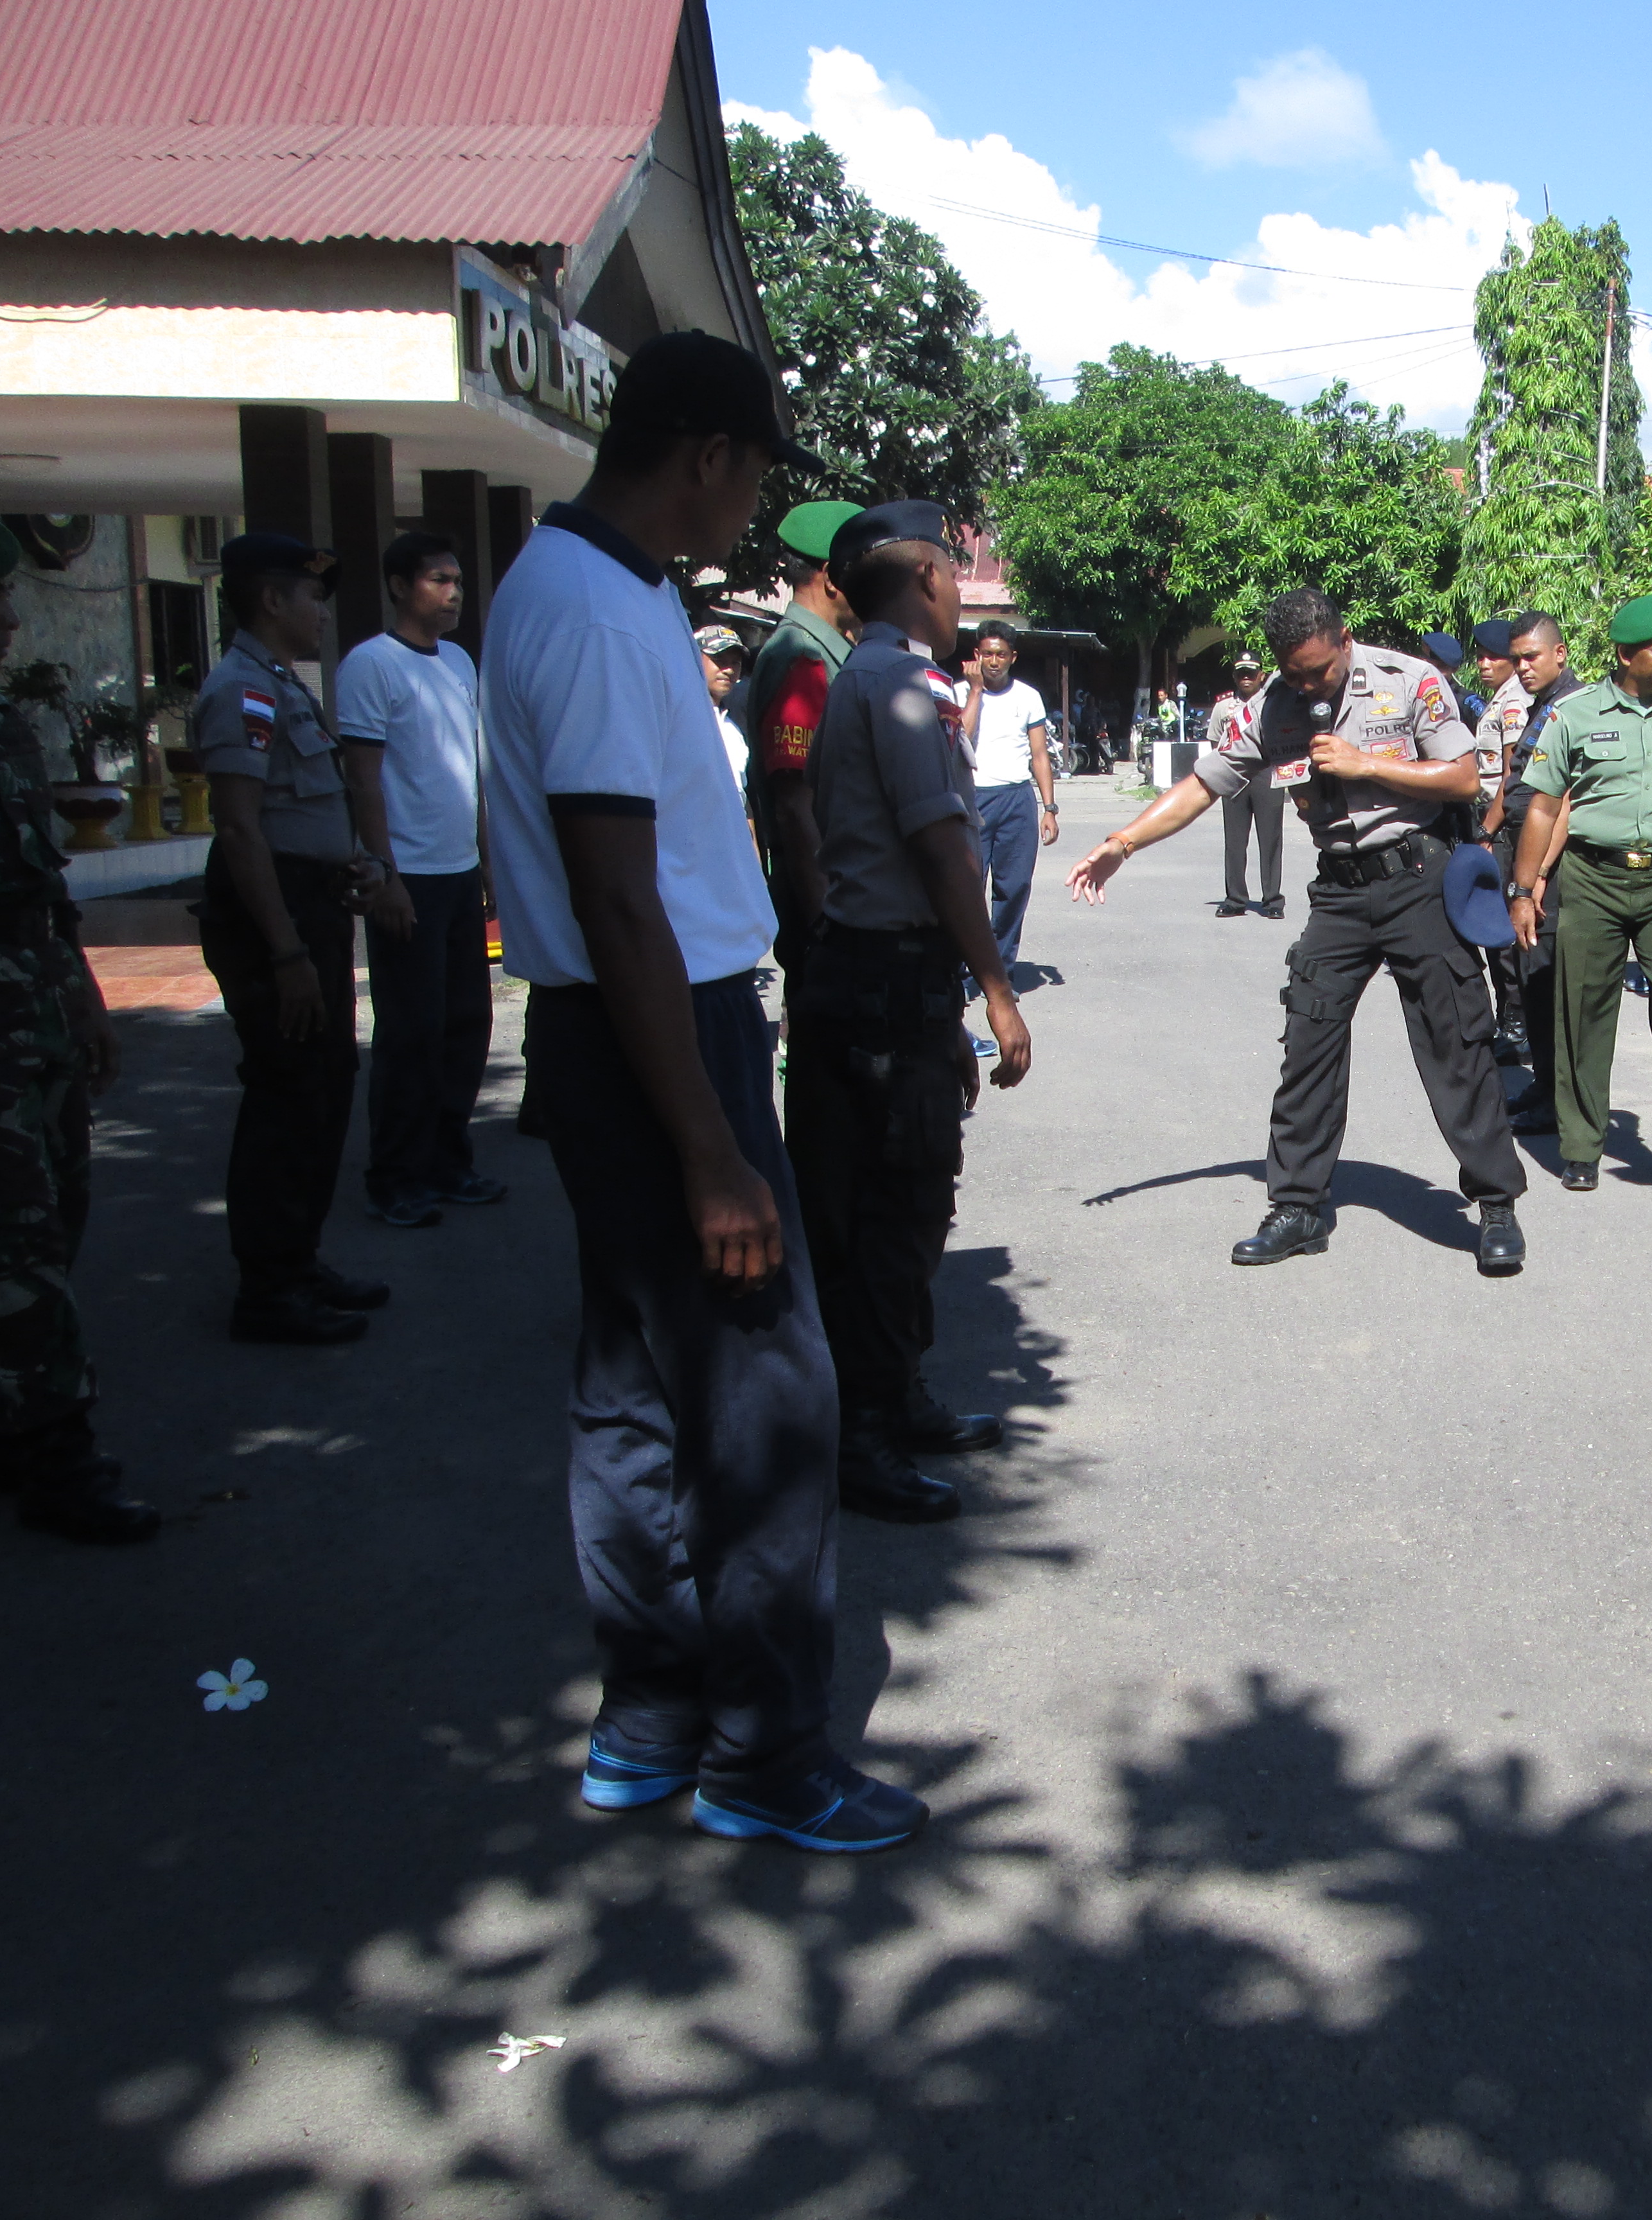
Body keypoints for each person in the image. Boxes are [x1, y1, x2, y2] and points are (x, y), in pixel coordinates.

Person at [484, 328, 922, 1854]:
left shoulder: (570, 584)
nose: (750, 515)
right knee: (766, 1398)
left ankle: (653, 1716)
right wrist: (713, 1147)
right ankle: (763, 1754)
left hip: (617, 1032)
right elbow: (618, 898)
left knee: (632, 1382)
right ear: (710, 458)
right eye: (751, 480)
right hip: (662, 1034)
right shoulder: (602, 608)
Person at [1066, 586, 1526, 1275]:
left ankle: (1495, 1205)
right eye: (1295, 673)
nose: (1308, 685)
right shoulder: (1269, 706)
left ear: (1345, 640)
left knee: (1453, 1038)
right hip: (1341, 892)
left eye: (1319, 669)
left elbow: (1466, 778)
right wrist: (1123, 842)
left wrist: (1368, 762)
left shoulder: (1410, 682)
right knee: (1308, 1040)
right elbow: (1202, 786)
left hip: (1417, 879)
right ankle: (1298, 1207)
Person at [787, 502, 1034, 1525]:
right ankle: (867, 1435)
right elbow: (941, 850)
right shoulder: (903, 686)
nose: (957, 592)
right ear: (927, 577)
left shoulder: (876, 674)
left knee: (903, 1204)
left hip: (882, 979)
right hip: (886, 982)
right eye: (949, 572)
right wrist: (997, 988)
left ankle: (897, 1399)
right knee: (893, 1214)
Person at [0, 514, 155, 1542]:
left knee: (50, 1220)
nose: (9, 620)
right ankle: (59, 1459)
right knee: (11, 1239)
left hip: (33, 1017)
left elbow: (45, 894)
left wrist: (83, 995)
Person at [193, 533, 390, 1346]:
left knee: (323, 1085)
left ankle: (299, 1262)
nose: (321, 614)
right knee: (287, 1093)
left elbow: (298, 813)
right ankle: (269, 1289)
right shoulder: (242, 691)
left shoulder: (282, 687)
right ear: (271, 600)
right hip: (271, 916)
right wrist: (286, 953)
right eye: (311, 598)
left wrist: (348, 868)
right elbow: (241, 833)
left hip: (309, 902)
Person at [1506, 595, 1652, 1197]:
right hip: (1593, 879)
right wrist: (1525, 890)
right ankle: (1581, 1146)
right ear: (1626, 655)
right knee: (1584, 1015)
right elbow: (1545, 806)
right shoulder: (1574, 715)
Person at [337, 531, 502, 1233]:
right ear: (401, 587)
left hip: (460, 871)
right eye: (439, 579)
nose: (454, 591)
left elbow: (470, 769)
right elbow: (364, 780)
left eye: (458, 579)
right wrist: (387, 874)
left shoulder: (460, 662)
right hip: (410, 880)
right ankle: (395, 1176)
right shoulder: (370, 666)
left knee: (467, 1024)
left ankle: (446, 1159)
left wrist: (489, 859)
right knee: (412, 1033)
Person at [747, 499, 861, 976]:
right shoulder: (804, 658)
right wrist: (825, 927)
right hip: (828, 912)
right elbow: (796, 807)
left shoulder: (827, 653)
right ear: (833, 577)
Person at [1488, 612, 1582, 1086]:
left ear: (1559, 653)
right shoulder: (1542, 704)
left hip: (1552, 860)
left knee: (1544, 973)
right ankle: (1544, 1082)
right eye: (1517, 659)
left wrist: (1540, 872)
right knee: (1530, 969)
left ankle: (1553, 1092)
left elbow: (1566, 797)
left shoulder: (1573, 707)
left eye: (1532, 657)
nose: (1523, 667)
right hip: (1526, 846)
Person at [956, 622, 1057, 973]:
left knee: (1013, 888)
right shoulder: (957, 693)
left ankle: (1000, 970)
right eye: (987, 654)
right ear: (976, 656)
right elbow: (961, 741)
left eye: (1001, 655)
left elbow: (1040, 755)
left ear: (1013, 657)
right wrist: (975, 692)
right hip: (972, 800)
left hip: (1017, 800)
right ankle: (963, 968)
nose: (994, 661)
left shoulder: (1028, 697)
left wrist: (1049, 808)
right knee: (967, 890)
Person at [1469, 615, 1534, 1048]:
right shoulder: (1499, 700)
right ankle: (1508, 1016)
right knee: (1495, 930)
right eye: (1482, 655)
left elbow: (1512, 774)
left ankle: (1516, 1022)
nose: (1485, 663)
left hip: (1506, 826)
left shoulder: (1513, 703)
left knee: (1505, 930)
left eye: (1496, 656)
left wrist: (1487, 831)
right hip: (1493, 820)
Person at [1210, 651, 1281, 918]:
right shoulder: (1223, 707)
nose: (1246, 678)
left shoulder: (1274, 705)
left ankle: (1273, 900)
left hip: (1266, 773)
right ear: (1235, 677)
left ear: (1262, 675)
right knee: (1235, 841)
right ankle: (1236, 899)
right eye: (1241, 673)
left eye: (1252, 673)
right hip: (1234, 775)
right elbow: (1215, 743)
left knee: (1271, 839)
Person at [696, 624, 752, 795]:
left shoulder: (733, 731)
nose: (729, 670)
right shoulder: (680, 720)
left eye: (736, 662)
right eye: (719, 660)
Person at [1423, 629, 1484, 728]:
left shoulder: (1466, 701)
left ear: (1454, 669)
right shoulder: (1411, 694)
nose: (1432, 672)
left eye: (1440, 667)